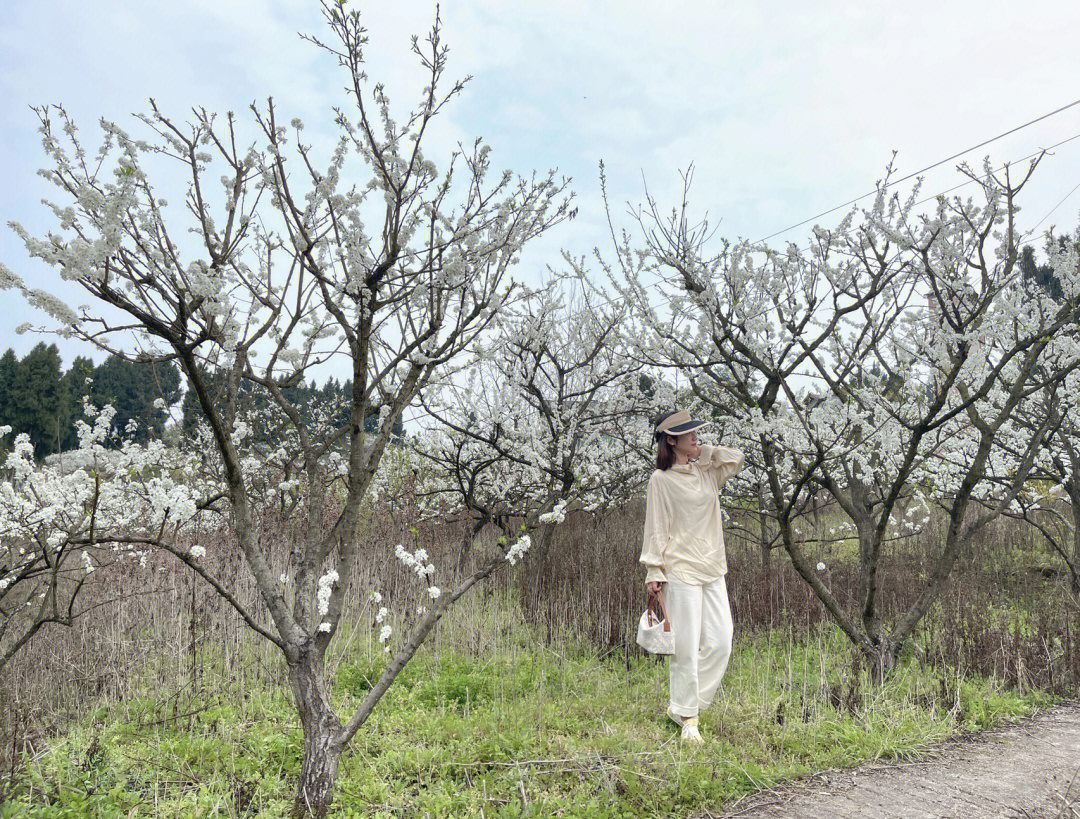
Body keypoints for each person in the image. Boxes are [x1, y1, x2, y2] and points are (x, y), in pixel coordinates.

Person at [640, 408, 745, 744]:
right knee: (685, 647)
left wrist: (704, 453)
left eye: (696, 432)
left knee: (721, 641)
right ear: (671, 441)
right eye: (689, 434)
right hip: (680, 570)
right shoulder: (661, 481)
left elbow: (736, 459)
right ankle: (689, 720)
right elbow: (656, 527)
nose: (695, 437)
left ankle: (684, 704)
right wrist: (654, 570)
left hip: (713, 567)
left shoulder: (706, 472)